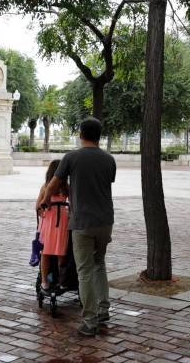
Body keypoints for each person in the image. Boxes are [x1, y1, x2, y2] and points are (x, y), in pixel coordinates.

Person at [40, 117, 116, 336]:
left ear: (81, 134)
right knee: (99, 264)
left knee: (84, 271)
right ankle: (103, 309)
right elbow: (103, 184)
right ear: (99, 136)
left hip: (82, 221)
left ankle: (90, 321)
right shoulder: (109, 159)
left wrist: (45, 200)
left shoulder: (71, 157)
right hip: (105, 221)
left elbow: (53, 184)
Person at [35, 160, 71, 293]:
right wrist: (43, 207)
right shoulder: (45, 187)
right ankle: (45, 280)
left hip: (61, 222)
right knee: (46, 252)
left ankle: (60, 280)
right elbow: (37, 206)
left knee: (60, 251)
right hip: (50, 222)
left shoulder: (66, 187)